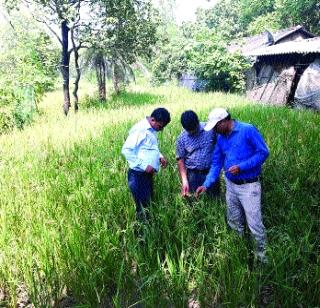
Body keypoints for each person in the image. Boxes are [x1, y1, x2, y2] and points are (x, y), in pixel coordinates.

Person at [196, 108, 269, 263]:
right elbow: (216, 163)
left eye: (216, 126)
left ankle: (261, 259)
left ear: (224, 121)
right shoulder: (221, 138)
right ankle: (240, 254)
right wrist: (206, 184)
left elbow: (263, 152)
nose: (214, 130)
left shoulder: (247, 130)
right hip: (231, 186)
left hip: (249, 186)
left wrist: (242, 167)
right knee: (234, 221)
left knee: (255, 224)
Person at [122, 107, 171, 221]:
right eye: (160, 126)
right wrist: (144, 165)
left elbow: (148, 147)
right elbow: (126, 150)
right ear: (153, 119)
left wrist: (160, 156)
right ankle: (141, 235)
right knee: (142, 208)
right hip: (138, 176)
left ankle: (148, 231)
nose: (161, 129)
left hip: (146, 175)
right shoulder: (140, 130)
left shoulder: (151, 130)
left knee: (148, 204)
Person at [176, 110, 220, 198]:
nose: (192, 132)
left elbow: (220, 145)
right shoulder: (182, 138)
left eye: (194, 129)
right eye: (189, 130)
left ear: (197, 121)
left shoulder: (210, 129)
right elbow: (180, 160)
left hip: (210, 172)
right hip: (193, 175)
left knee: (213, 200)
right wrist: (184, 181)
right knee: (194, 200)